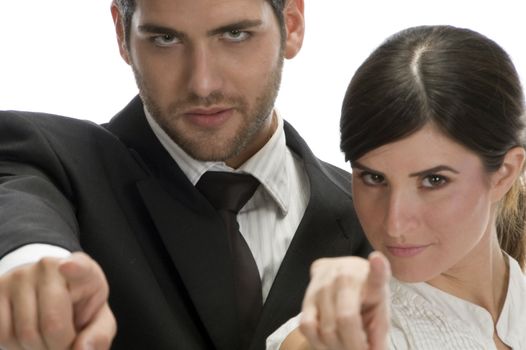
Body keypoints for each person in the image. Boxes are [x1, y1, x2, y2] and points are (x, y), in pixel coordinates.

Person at [0, 0, 371, 349]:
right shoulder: (48, 162)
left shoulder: (376, 217)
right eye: (166, 39)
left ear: (291, 24)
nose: (203, 84)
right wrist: (32, 270)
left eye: (235, 34)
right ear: (121, 35)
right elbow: (16, 197)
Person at [267, 25, 526, 350]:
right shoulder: (356, 334)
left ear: (504, 173)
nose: (394, 223)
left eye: (434, 180)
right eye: (374, 178)